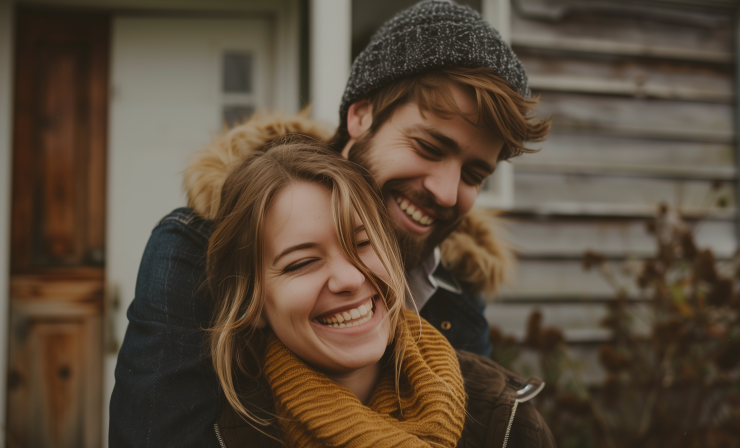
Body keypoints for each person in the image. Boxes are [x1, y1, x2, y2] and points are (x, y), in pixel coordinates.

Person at [109, 1, 550, 446]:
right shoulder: (195, 249)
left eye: (474, 175)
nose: (447, 192)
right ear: (360, 116)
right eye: (429, 147)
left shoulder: (455, 289)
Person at [206, 136, 554, 447]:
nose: (350, 279)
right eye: (301, 263)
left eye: (362, 243)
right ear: (252, 303)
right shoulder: (212, 431)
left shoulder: (505, 420)